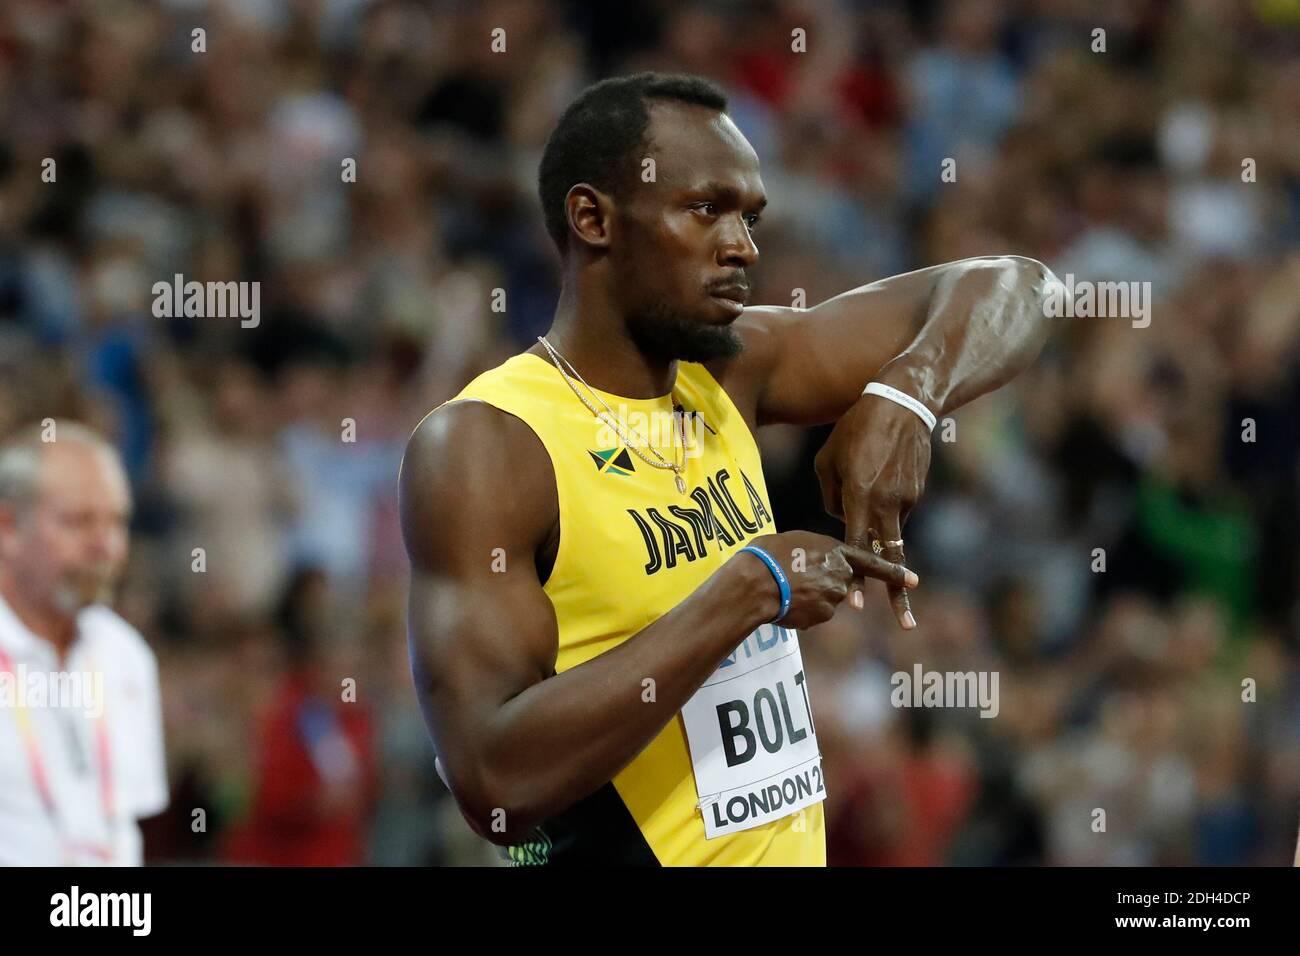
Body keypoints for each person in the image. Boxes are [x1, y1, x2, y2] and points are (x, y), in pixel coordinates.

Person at [400, 72, 1061, 866]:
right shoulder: (489, 445)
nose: (743, 244)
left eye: (750, 216)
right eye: (705, 209)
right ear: (592, 219)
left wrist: (908, 394)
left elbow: (1022, 286)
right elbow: (493, 784)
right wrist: (745, 591)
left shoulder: (730, 369)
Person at [0, 421, 168, 865]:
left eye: (117, 521)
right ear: (7, 526)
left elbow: (126, 825)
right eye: (78, 522)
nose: (106, 546)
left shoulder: (126, 657)